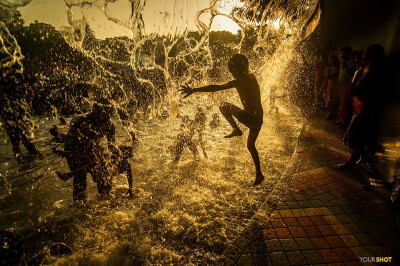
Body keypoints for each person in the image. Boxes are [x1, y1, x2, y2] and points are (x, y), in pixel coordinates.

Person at [180, 54, 264, 186]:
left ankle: (236, 129)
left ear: (238, 69)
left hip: (251, 119)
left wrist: (194, 90)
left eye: (233, 71)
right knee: (250, 145)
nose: (232, 74)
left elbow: (215, 87)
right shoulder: (251, 77)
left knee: (223, 105)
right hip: (258, 119)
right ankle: (259, 174)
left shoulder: (240, 81)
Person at [54, 99, 116, 204]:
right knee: (80, 180)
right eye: (104, 115)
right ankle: (79, 207)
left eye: (109, 115)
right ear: (95, 112)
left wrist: (113, 160)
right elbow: (79, 149)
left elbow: (112, 149)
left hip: (93, 146)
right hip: (73, 147)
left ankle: (105, 200)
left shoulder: (110, 125)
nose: (106, 119)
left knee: (104, 176)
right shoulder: (82, 122)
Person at [337, 44, 387, 174]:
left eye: (365, 54)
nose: (362, 57)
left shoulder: (372, 70)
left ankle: (358, 161)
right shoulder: (369, 69)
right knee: (359, 137)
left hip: (366, 109)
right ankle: (360, 160)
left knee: (357, 137)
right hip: (361, 108)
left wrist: (355, 79)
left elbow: (355, 89)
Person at [0, 90, 38, 160]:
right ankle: (35, 157)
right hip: (17, 126)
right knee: (21, 144)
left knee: (19, 145)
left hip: (15, 127)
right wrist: (32, 122)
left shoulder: (12, 104)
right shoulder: (13, 104)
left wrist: (32, 122)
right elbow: (26, 114)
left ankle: (25, 160)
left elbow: (26, 113)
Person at [322, 55, 340, 120]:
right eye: (330, 60)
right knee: (328, 101)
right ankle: (330, 114)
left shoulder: (339, 67)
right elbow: (325, 78)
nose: (331, 61)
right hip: (329, 86)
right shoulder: (327, 68)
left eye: (333, 60)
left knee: (335, 101)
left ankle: (334, 115)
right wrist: (323, 86)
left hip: (337, 86)